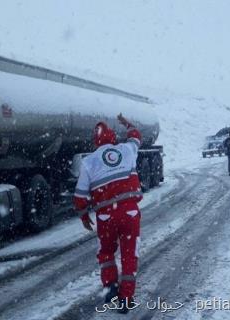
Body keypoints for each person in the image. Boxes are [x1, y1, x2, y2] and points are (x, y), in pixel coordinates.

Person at [73, 113, 143, 314]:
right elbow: (136, 136)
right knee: (129, 255)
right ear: (113, 137)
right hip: (130, 213)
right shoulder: (127, 150)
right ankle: (126, 299)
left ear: (96, 142)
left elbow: (80, 195)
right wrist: (127, 123)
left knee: (106, 252)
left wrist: (84, 216)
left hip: (105, 216)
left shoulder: (89, 162)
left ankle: (111, 288)